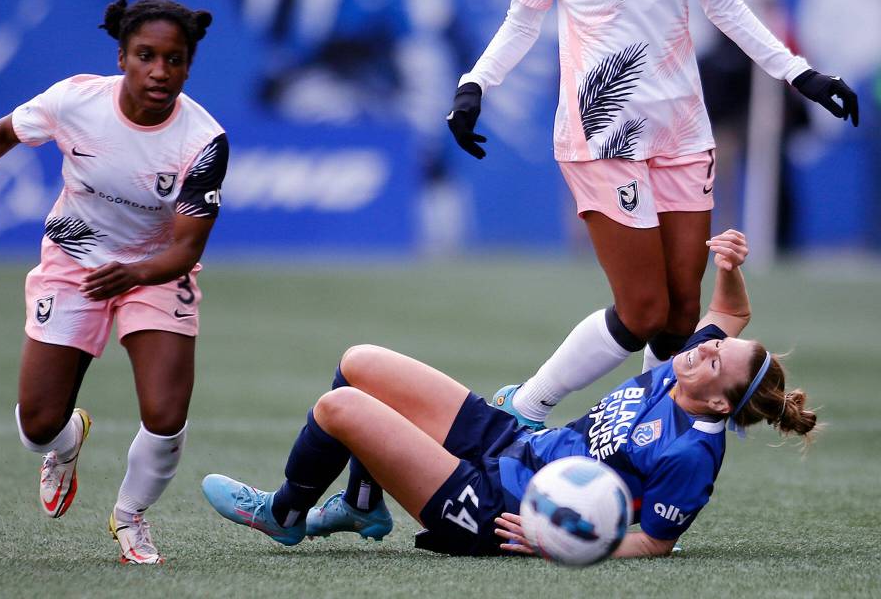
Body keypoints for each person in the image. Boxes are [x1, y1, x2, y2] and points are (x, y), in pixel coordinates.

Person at [445, 0, 857, 430]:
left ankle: (636, 438)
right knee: (641, 313)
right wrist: (472, 86)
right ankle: (522, 407)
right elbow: (522, 21)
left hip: (682, 132)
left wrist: (800, 73)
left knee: (682, 315)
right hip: (604, 135)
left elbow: (723, 3)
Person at [0, 0, 228, 565]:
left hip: (155, 270)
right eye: (146, 56)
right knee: (36, 425)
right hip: (75, 258)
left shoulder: (203, 141)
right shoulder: (76, 100)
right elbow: (2, 134)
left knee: (165, 413)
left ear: (189, 65)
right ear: (122, 57)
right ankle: (64, 444)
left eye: (175, 60)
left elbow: (185, 248)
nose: (160, 71)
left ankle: (130, 516)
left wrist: (132, 272)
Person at [201, 229, 816, 558]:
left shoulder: (691, 454)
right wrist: (731, 265)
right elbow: (728, 311)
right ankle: (363, 503)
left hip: (497, 508)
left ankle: (284, 515)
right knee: (360, 363)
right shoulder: (686, 372)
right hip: (515, 442)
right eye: (711, 345)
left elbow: (656, 541)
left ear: (718, 404)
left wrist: (556, 539)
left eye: (714, 358)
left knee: (340, 410)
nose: (702, 346)